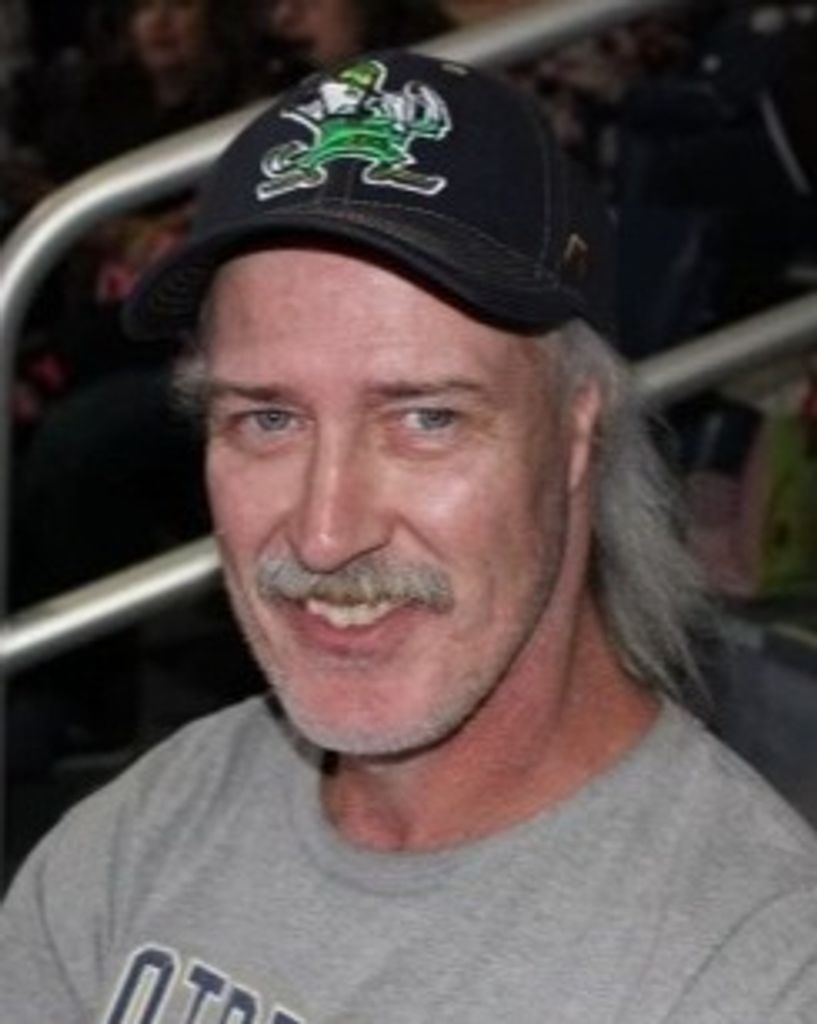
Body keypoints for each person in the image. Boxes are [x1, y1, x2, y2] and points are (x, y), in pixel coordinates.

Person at [2, 50, 817, 1023]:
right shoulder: (139, 837)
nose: (325, 532)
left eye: (426, 418)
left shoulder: (753, 969)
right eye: (268, 418)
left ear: (577, 434)